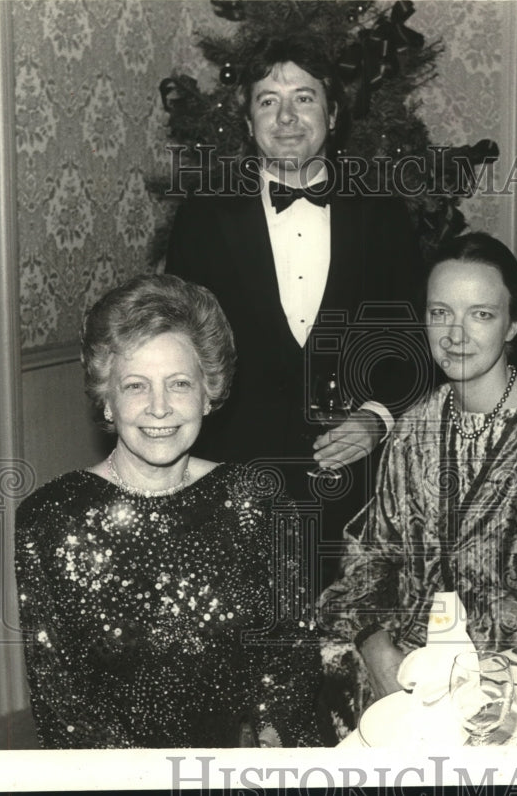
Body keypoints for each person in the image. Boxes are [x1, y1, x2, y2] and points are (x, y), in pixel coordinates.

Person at [318, 233, 517, 723]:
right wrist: (378, 652)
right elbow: (369, 562)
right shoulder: (411, 430)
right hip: (414, 675)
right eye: (440, 312)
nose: (455, 334)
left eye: (481, 314)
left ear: (513, 324)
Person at [166, 34, 430, 589]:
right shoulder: (202, 218)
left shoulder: (382, 216)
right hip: (234, 490)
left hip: (355, 493)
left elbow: (413, 344)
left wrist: (375, 418)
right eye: (268, 100)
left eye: (304, 98)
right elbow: (177, 349)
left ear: (332, 114)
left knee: (355, 657)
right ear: (248, 121)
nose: (286, 117)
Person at [14, 274, 321, 748]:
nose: (160, 408)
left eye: (179, 383)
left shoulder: (257, 503)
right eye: (136, 385)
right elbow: (63, 706)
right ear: (107, 400)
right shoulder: (51, 520)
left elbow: (290, 664)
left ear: (208, 392)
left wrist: (262, 751)